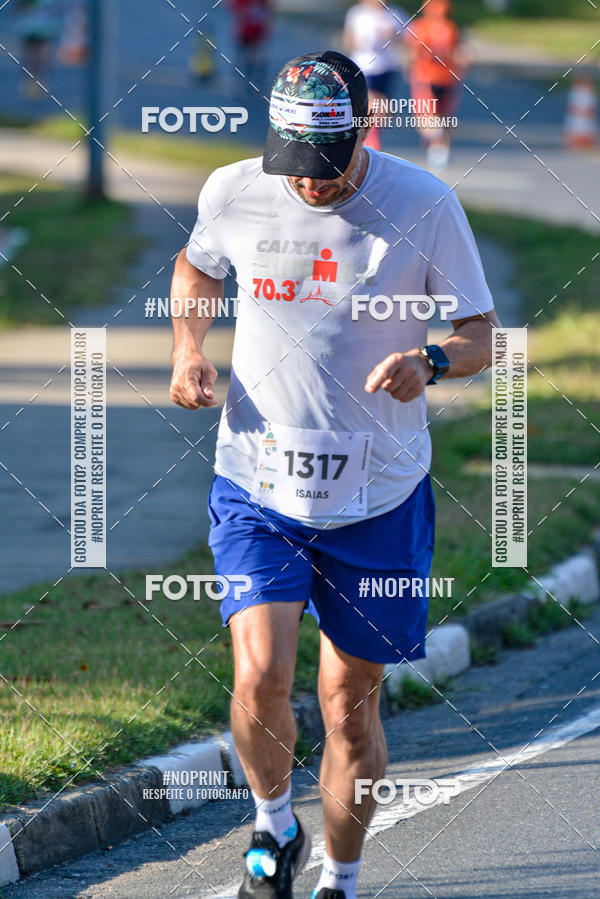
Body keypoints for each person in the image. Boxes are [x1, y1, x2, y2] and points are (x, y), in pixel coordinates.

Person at [170, 50, 500, 899]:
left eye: (327, 162)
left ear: (364, 129)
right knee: (259, 675)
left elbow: (481, 333)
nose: (310, 181)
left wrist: (431, 360)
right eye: (295, 162)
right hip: (257, 484)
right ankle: (274, 824)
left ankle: (341, 881)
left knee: (348, 705)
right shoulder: (235, 190)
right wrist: (188, 347)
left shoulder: (424, 204)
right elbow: (199, 267)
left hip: (378, 497)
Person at [403, 0, 469, 168]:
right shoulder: (445, 28)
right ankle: (439, 147)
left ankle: (438, 147)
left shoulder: (426, 27)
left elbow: (413, 53)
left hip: (435, 77)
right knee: (438, 116)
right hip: (434, 77)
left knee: (430, 116)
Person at [343, 0, 407, 150]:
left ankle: (371, 134)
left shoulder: (395, 13)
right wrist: (359, 43)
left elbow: (408, 38)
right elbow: (348, 39)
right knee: (370, 103)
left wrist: (392, 36)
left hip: (387, 67)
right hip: (364, 67)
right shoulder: (357, 13)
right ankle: (370, 139)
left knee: (385, 107)